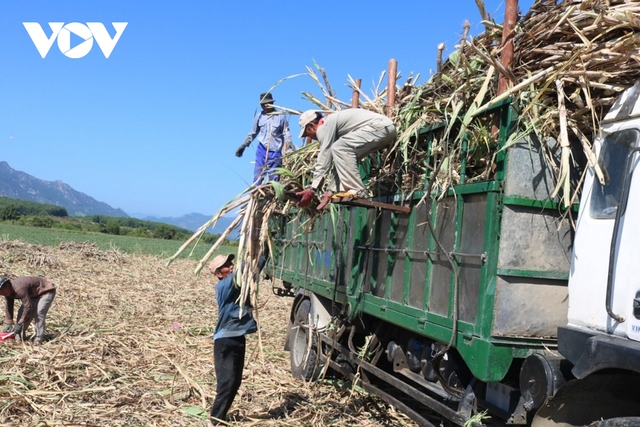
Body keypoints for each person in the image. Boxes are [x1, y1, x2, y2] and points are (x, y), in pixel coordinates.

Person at [295, 109, 397, 210]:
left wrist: (312, 189)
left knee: (339, 147)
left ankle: (356, 190)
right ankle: (353, 189)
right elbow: (342, 160)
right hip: (385, 129)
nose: (311, 138)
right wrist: (331, 190)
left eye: (307, 134)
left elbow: (325, 156)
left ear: (312, 126)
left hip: (379, 127)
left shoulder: (324, 126)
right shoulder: (333, 126)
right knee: (342, 149)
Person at [208, 254, 257, 426]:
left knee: (235, 381)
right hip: (225, 340)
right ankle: (215, 420)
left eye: (231, 263)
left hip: (238, 337)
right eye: (226, 265)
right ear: (218, 273)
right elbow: (242, 270)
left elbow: (252, 269)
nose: (231, 266)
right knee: (226, 382)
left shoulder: (237, 284)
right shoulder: (224, 286)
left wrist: (263, 250)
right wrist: (254, 247)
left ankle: (220, 418)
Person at [236, 92, 294, 185]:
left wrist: (290, 145)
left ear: (272, 103)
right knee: (257, 179)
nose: (265, 107)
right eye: (263, 105)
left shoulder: (280, 116)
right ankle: (256, 195)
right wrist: (243, 145)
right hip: (262, 150)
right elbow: (253, 133)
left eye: (267, 104)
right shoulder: (259, 116)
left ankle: (273, 197)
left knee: (274, 180)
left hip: (275, 153)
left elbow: (286, 133)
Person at [0, 276, 56, 344]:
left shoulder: (19, 288)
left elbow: (28, 307)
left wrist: (19, 323)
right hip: (32, 295)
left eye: (2, 290)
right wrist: (9, 322)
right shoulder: (8, 292)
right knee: (21, 313)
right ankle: (20, 338)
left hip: (45, 291)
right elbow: (9, 306)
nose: (2, 294)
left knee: (39, 313)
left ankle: (38, 339)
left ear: (7, 285)